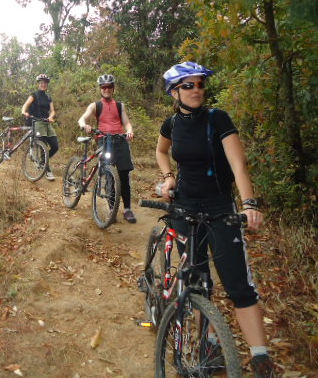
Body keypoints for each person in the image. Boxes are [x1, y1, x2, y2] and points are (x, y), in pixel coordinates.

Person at [155, 61, 276, 378]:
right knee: (196, 281)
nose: (197, 90)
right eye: (188, 85)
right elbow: (161, 151)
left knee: (238, 283)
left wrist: (248, 203)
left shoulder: (217, 119)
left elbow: (238, 166)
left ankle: (260, 356)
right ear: (174, 92)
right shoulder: (171, 124)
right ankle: (209, 343)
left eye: (199, 84)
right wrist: (168, 178)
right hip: (184, 209)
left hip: (220, 207)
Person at [78, 74, 136, 223]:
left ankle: (128, 209)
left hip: (120, 140)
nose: (106, 89)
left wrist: (129, 130)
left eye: (109, 87)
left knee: (123, 175)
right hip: (104, 140)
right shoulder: (95, 105)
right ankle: (112, 210)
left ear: (113, 88)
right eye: (104, 87)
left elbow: (127, 123)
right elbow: (82, 118)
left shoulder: (119, 105)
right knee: (109, 175)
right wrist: (85, 125)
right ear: (100, 89)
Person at [22, 73, 59, 181]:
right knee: (42, 145)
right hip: (36, 122)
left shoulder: (48, 97)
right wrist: (24, 112)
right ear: (39, 84)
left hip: (46, 122)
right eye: (41, 83)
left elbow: (52, 111)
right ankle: (47, 171)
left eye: (45, 83)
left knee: (55, 146)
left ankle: (42, 161)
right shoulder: (34, 95)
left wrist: (51, 117)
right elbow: (25, 105)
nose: (43, 85)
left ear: (47, 85)